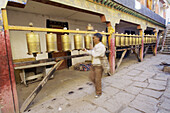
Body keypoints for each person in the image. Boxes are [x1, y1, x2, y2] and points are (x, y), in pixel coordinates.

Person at [83, 33, 106, 98]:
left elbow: (95, 54)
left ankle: (99, 92)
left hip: (99, 65)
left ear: (98, 38)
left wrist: (91, 49)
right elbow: (92, 52)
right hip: (94, 64)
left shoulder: (101, 46)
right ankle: (98, 86)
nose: (93, 39)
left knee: (97, 79)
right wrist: (86, 50)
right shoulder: (96, 46)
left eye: (94, 38)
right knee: (92, 77)